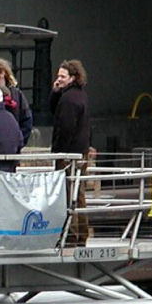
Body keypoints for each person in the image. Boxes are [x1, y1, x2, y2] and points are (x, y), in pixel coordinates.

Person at [49, 59, 91, 244]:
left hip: (68, 154)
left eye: (62, 76)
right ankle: (82, 233)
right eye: (58, 76)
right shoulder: (80, 95)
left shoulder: (68, 100)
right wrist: (55, 91)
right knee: (79, 193)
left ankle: (72, 235)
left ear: (73, 77)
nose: (59, 79)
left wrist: (59, 153)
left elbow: (65, 127)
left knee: (69, 193)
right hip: (80, 151)